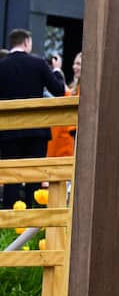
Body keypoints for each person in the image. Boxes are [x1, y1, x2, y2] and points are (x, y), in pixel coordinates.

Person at [0, 29, 66, 207]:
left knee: (11, 177)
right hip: (36, 131)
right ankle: (32, 215)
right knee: (34, 177)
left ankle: (9, 218)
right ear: (26, 42)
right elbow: (59, 90)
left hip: (8, 132)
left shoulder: (2, 66)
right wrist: (57, 69)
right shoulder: (38, 63)